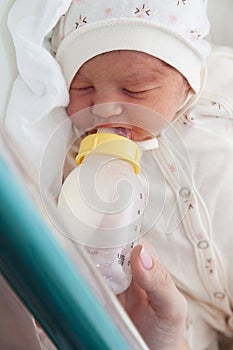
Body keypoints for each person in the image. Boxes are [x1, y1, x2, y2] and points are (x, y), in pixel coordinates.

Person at [49, 1, 233, 349]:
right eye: (83, 88)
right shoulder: (79, 160)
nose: (103, 108)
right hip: (189, 310)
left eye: (134, 91)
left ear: (187, 80)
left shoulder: (221, 96)